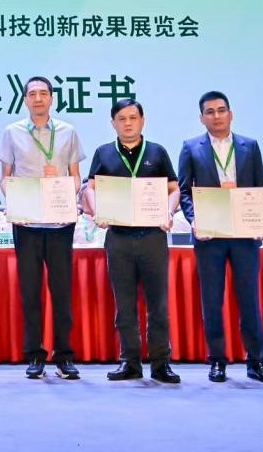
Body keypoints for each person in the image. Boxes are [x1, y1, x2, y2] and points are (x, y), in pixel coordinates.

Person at [178, 90, 263, 385]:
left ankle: (256, 361)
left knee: (249, 299)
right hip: (209, 235)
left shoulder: (250, 146)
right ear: (202, 118)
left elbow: (260, 187)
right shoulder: (190, 147)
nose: (217, 116)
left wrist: (260, 219)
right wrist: (194, 219)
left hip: (245, 235)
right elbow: (184, 191)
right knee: (212, 300)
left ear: (231, 114)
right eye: (210, 112)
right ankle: (217, 360)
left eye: (221, 110)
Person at [81, 99, 180, 384]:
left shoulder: (157, 152)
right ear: (113, 123)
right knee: (124, 306)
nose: (128, 123)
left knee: (158, 305)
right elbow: (91, 187)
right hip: (119, 238)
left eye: (133, 118)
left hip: (152, 237)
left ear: (142, 121)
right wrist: (97, 210)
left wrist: (168, 212)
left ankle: (161, 363)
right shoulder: (103, 152)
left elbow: (173, 189)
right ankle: (130, 362)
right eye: (122, 118)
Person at [0, 76, 85, 381]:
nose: (38, 98)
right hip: (28, 224)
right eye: (32, 94)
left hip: (60, 223)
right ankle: (34, 355)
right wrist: (18, 202)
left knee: (61, 291)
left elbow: (76, 176)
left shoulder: (68, 132)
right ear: (25, 100)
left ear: (51, 98)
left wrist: (65, 193)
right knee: (30, 291)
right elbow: (6, 178)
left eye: (43, 93)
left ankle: (64, 356)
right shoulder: (12, 132)